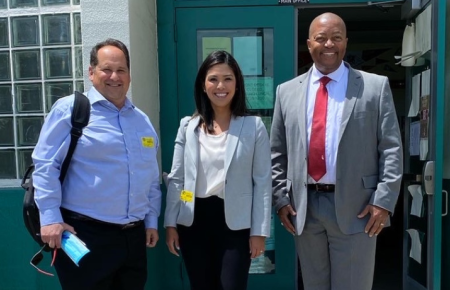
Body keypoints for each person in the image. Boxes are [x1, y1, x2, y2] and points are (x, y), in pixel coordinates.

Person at [271, 13, 403, 290]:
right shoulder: (286, 92)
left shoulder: (374, 87)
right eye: (321, 38)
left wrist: (383, 201)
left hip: (358, 208)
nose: (328, 44)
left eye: (336, 38)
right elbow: (277, 153)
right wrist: (281, 199)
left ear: (346, 43)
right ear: (309, 44)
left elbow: (391, 148)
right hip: (304, 210)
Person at [32, 38, 161, 290]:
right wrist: (49, 218)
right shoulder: (71, 110)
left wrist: (151, 220)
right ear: (91, 73)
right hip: (85, 235)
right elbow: (46, 165)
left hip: (133, 239)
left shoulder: (141, 120)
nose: (115, 76)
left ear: (129, 74)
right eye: (107, 69)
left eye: (121, 69)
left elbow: (150, 176)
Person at [164, 50, 272, 290]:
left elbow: (263, 182)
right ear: (203, 85)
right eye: (213, 79)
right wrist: (171, 223)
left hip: (236, 224)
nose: (220, 85)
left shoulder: (253, 127)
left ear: (237, 84)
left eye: (228, 78)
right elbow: (178, 179)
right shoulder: (188, 127)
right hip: (194, 221)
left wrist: (260, 232)